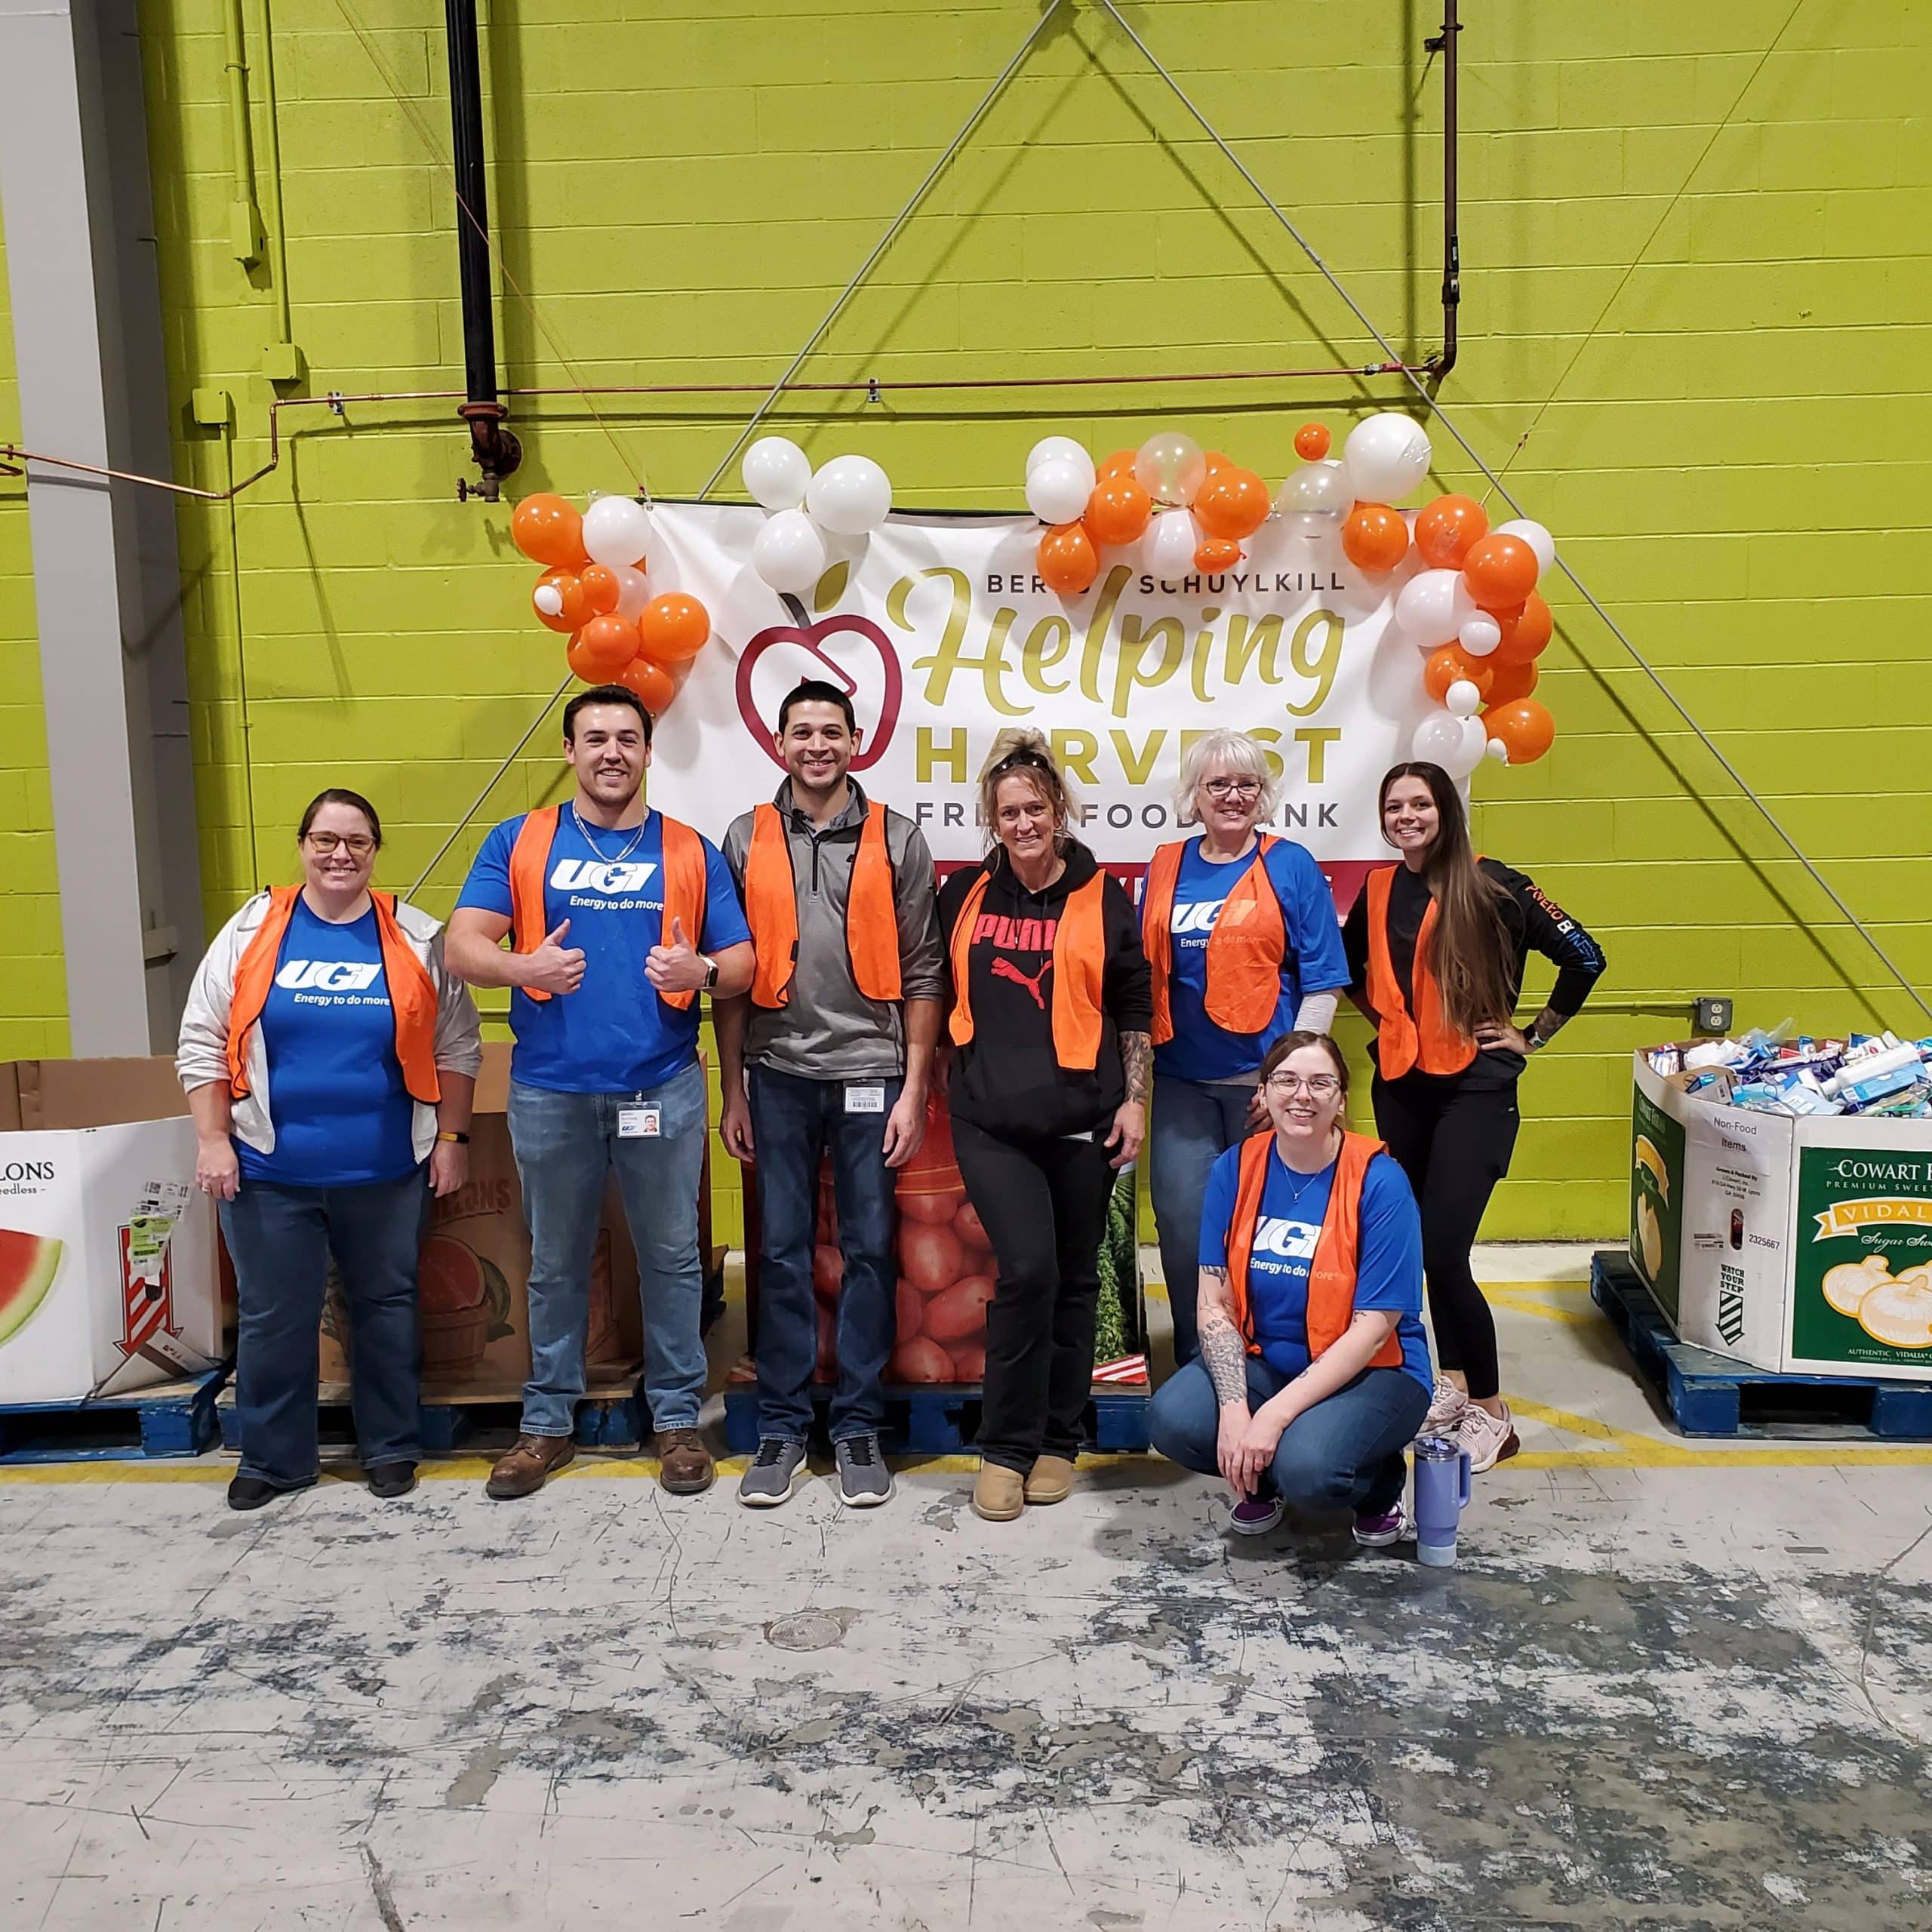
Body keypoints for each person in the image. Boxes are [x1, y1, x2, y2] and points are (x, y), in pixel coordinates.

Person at [446, 683, 754, 1500]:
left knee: (671, 1261)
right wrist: (523, 968)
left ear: (649, 753)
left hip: (663, 1084)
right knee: (554, 1262)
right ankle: (546, 1423)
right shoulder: (519, 842)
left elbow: (745, 963)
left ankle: (678, 1419)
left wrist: (705, 971)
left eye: (627, 737)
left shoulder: (689, 849)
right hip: (550, 1090)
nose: (611, 751)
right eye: (595, 738)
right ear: (570, 752)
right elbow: (461, 947)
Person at [177, 789, 482, 1511]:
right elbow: (202, 1039)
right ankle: (273, 1459)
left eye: (357, 842)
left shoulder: (416, 936)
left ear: (376, 852)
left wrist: (452, 1140)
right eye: (325, 840)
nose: (340, 854)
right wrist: (214, 1140)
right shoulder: (252, 929)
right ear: (303, 845)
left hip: (386, 1170)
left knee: (385, 1306)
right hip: (269, 1173)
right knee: (273, 1316)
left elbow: (458, 1045)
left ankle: (390, 1448)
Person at [717, 678, 945, 1510]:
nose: (817, 745)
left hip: (870, 1074)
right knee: (775, 1251)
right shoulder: (744, 838)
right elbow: (730, 981)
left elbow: (925, 970)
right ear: (779, 744)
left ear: (857, 742)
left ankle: (855, 1426)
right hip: (775, 1076)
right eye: (801, 732)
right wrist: (734, 1086)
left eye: (831, 732)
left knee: (870, 1251)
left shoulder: (899, 839)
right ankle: (781, 1425)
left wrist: (914, 1088)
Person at [1343, 761, 1606, 1472]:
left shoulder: (1496, 884)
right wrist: (1390, 1025)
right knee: (1421, 1248)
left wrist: (1535, 1032)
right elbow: (1354, 972)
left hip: (1477, 1092)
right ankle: (1452, 1387)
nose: (1407, 817)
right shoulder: (1375, 888)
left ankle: (1492, 1410)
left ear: (1445, 809)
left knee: (1443, 1252)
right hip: (1401, 1088)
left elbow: (1585, 956)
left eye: (1420, 804)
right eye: (1394, 805)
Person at [937, 731, 1152, 1524]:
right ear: (992, 820)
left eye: (1035, 808)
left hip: (1082, 1123)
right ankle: (1004, 1443)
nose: (1023, 822)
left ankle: (1060, 1438)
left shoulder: (1103, 895)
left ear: (1058, 811)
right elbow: (929, 983)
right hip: (989, 1120)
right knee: (1027, 1271)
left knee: (1075, 1280)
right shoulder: (962, 893)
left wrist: (1134, 1101)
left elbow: (1133, 1003)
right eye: (1008, 812)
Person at [1147, 1032, 1431, 1543]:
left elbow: (1372, 1331)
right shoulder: (1235, 1169)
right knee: (1172, 1420)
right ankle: (1263, 1481)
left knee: (1311, 1469)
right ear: (1263, 1093)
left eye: (1321, 1083)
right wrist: (1236, 1413)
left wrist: (1273, 1418)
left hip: (1375, 1370)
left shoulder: (1380, 1182)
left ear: (1341, 1100)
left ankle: (1379, 1484)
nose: (1303, 1095)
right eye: (1287, 1081)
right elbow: (1213, 1301)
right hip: (1269, 1359)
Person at [1141, 728, 1349, 1369]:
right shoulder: (1165, 864)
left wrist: (1286, 1082)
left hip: (1263, 1091)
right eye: (1217, 785)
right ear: (1194, 796)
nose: (1232, 796)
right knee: (1182, 1229)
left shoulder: (1291, 865)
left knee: (1265, 1234)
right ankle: (1198, 1362)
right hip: (1180, 1081)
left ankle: (1266, 1357)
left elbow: (1322, 982)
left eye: (1246, 784)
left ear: (1262, 796)